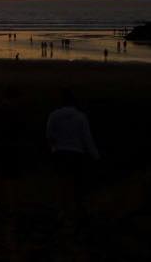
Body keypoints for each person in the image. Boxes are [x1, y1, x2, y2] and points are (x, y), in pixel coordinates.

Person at [46, 88, 100, 224]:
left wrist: (54, 148)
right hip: (76, 154)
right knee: (75, 184)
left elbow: (49, 136)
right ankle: (74, 212)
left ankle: (62, 211)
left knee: (61, 183)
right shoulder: (81, 117)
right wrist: (95, 156)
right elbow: (87, 138)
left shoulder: (53, 115)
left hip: (59, 153)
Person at [0, 86, 27, 211]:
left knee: (0, 175)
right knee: (12, 177)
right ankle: (12, 205)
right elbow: (21, 130)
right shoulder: (17, 111)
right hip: (11, 147)